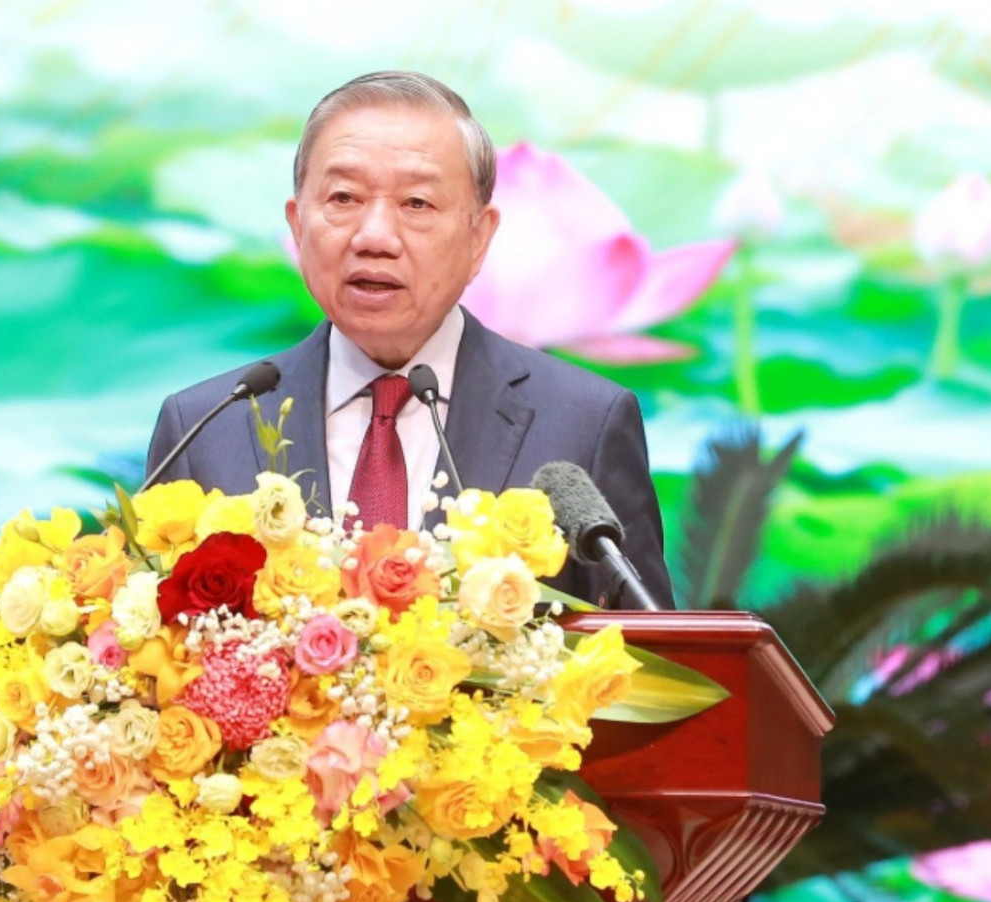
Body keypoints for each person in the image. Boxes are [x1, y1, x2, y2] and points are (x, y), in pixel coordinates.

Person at [146, 71, 674, 610]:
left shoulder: (584, 423)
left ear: (479, 238)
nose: (374, 236)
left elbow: (657, 655)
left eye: (417, 203)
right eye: (344, 197)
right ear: (297, 226)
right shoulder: (203, 430)